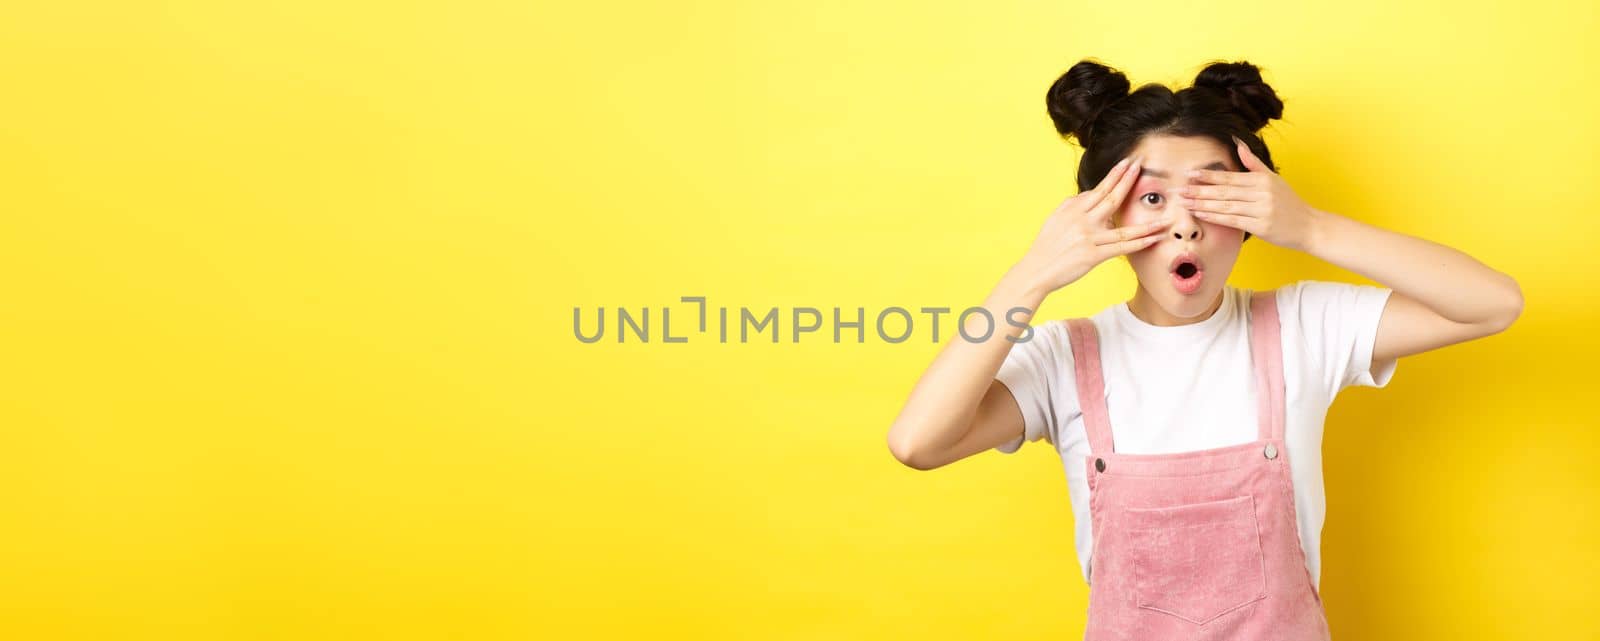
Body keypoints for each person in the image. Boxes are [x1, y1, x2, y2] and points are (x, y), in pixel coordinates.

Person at [885, 58, 1523, 639]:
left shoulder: (1304, 326)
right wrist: (1033, 274)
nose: (1185, 224)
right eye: (1153, 199)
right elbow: (918, 442)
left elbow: (1495, 303)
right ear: (1107, 220)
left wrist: (1311, 227)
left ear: (1253, 212)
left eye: (1213, 196)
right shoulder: (1063, 358)